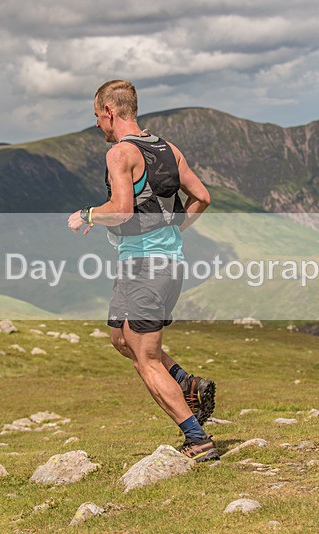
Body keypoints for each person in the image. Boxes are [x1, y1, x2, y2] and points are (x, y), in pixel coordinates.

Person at [67, 80, 219, 462]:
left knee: (146, 358)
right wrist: (174, 229)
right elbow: (202, 197)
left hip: (147, 268)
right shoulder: (168, 149)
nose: (98, 125)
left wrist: (86, 215)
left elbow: (121, 209)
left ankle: (198, 440)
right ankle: (188, 383)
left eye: (97, 117)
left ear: (110, 112)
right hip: (156, 264)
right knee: (122, 339)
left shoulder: (120, 153)